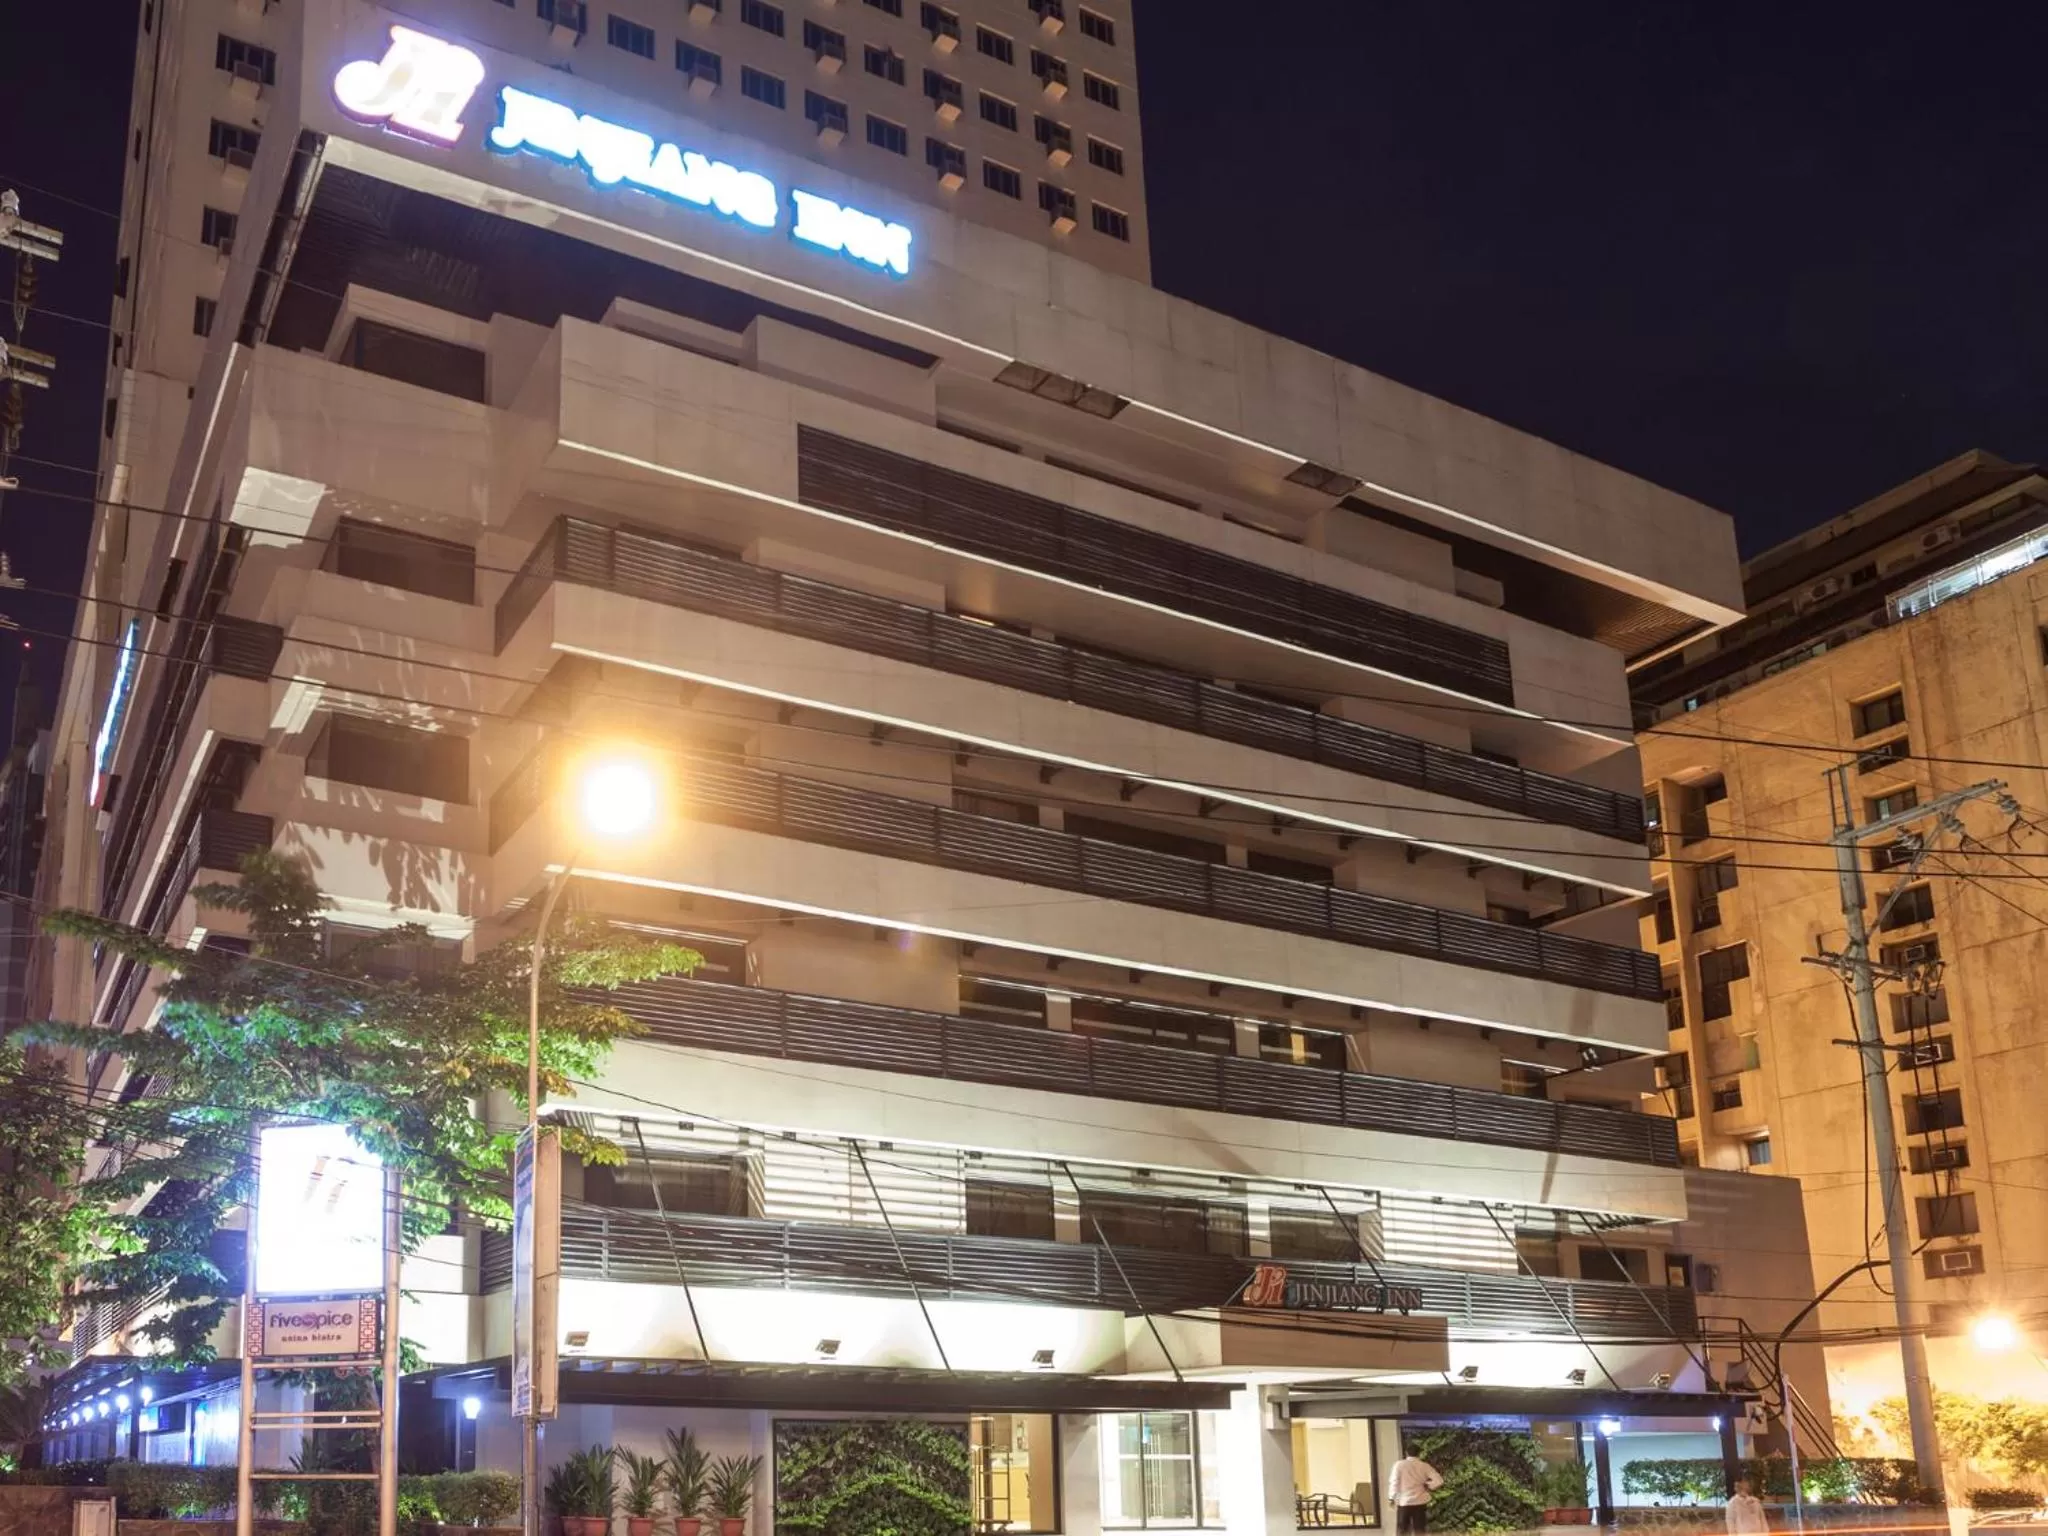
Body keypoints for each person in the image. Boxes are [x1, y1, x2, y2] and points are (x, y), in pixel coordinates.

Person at [1386, 1450, 1444, 1535]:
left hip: (1404, 1502)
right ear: (1419, 1454)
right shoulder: (1424, 1466)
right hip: (1420, 1501)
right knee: (1420, 1529)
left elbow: (1394, 1482)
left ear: (1406, 1453)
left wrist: (1391, 1497)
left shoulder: (1399, 1465)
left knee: (1402, 1530)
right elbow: (1439, 1481)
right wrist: (1428, 1485)